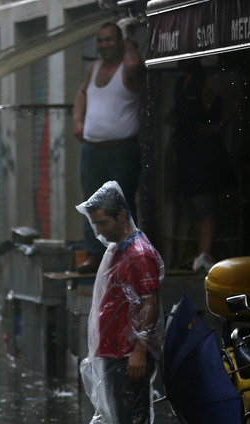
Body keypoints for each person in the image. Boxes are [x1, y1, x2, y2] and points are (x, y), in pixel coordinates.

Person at [76, 181, 164, 424]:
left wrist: (139, 349)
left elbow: (150, 302)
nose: (99, 231)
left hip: (130, 354)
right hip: (115, 352)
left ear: (122, 216)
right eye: (95, 223)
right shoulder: (119, 250)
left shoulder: (138, 254)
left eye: (104, 222)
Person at [73, 21, 144, 273]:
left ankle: (127, 254)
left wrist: (128, 43)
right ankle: (94, 255)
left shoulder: (128, 66)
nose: (104, 45)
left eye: (109, 40)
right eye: (100, 41)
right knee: (92, 203)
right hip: (92, 149)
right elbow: (82, 93)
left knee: (121, 205)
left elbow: (136, 64)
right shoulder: (93, 68)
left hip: (121, 149)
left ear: (120, 42)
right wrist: (78, 120)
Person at [172, 59, 241, 272]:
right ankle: (200, 253)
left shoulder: (209, 80)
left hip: (204, 151)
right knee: (191, 203)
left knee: (204, 203)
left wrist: (218, 126)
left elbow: (237, 97)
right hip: (185, 150)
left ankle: (206, 253)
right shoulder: (180, 83)